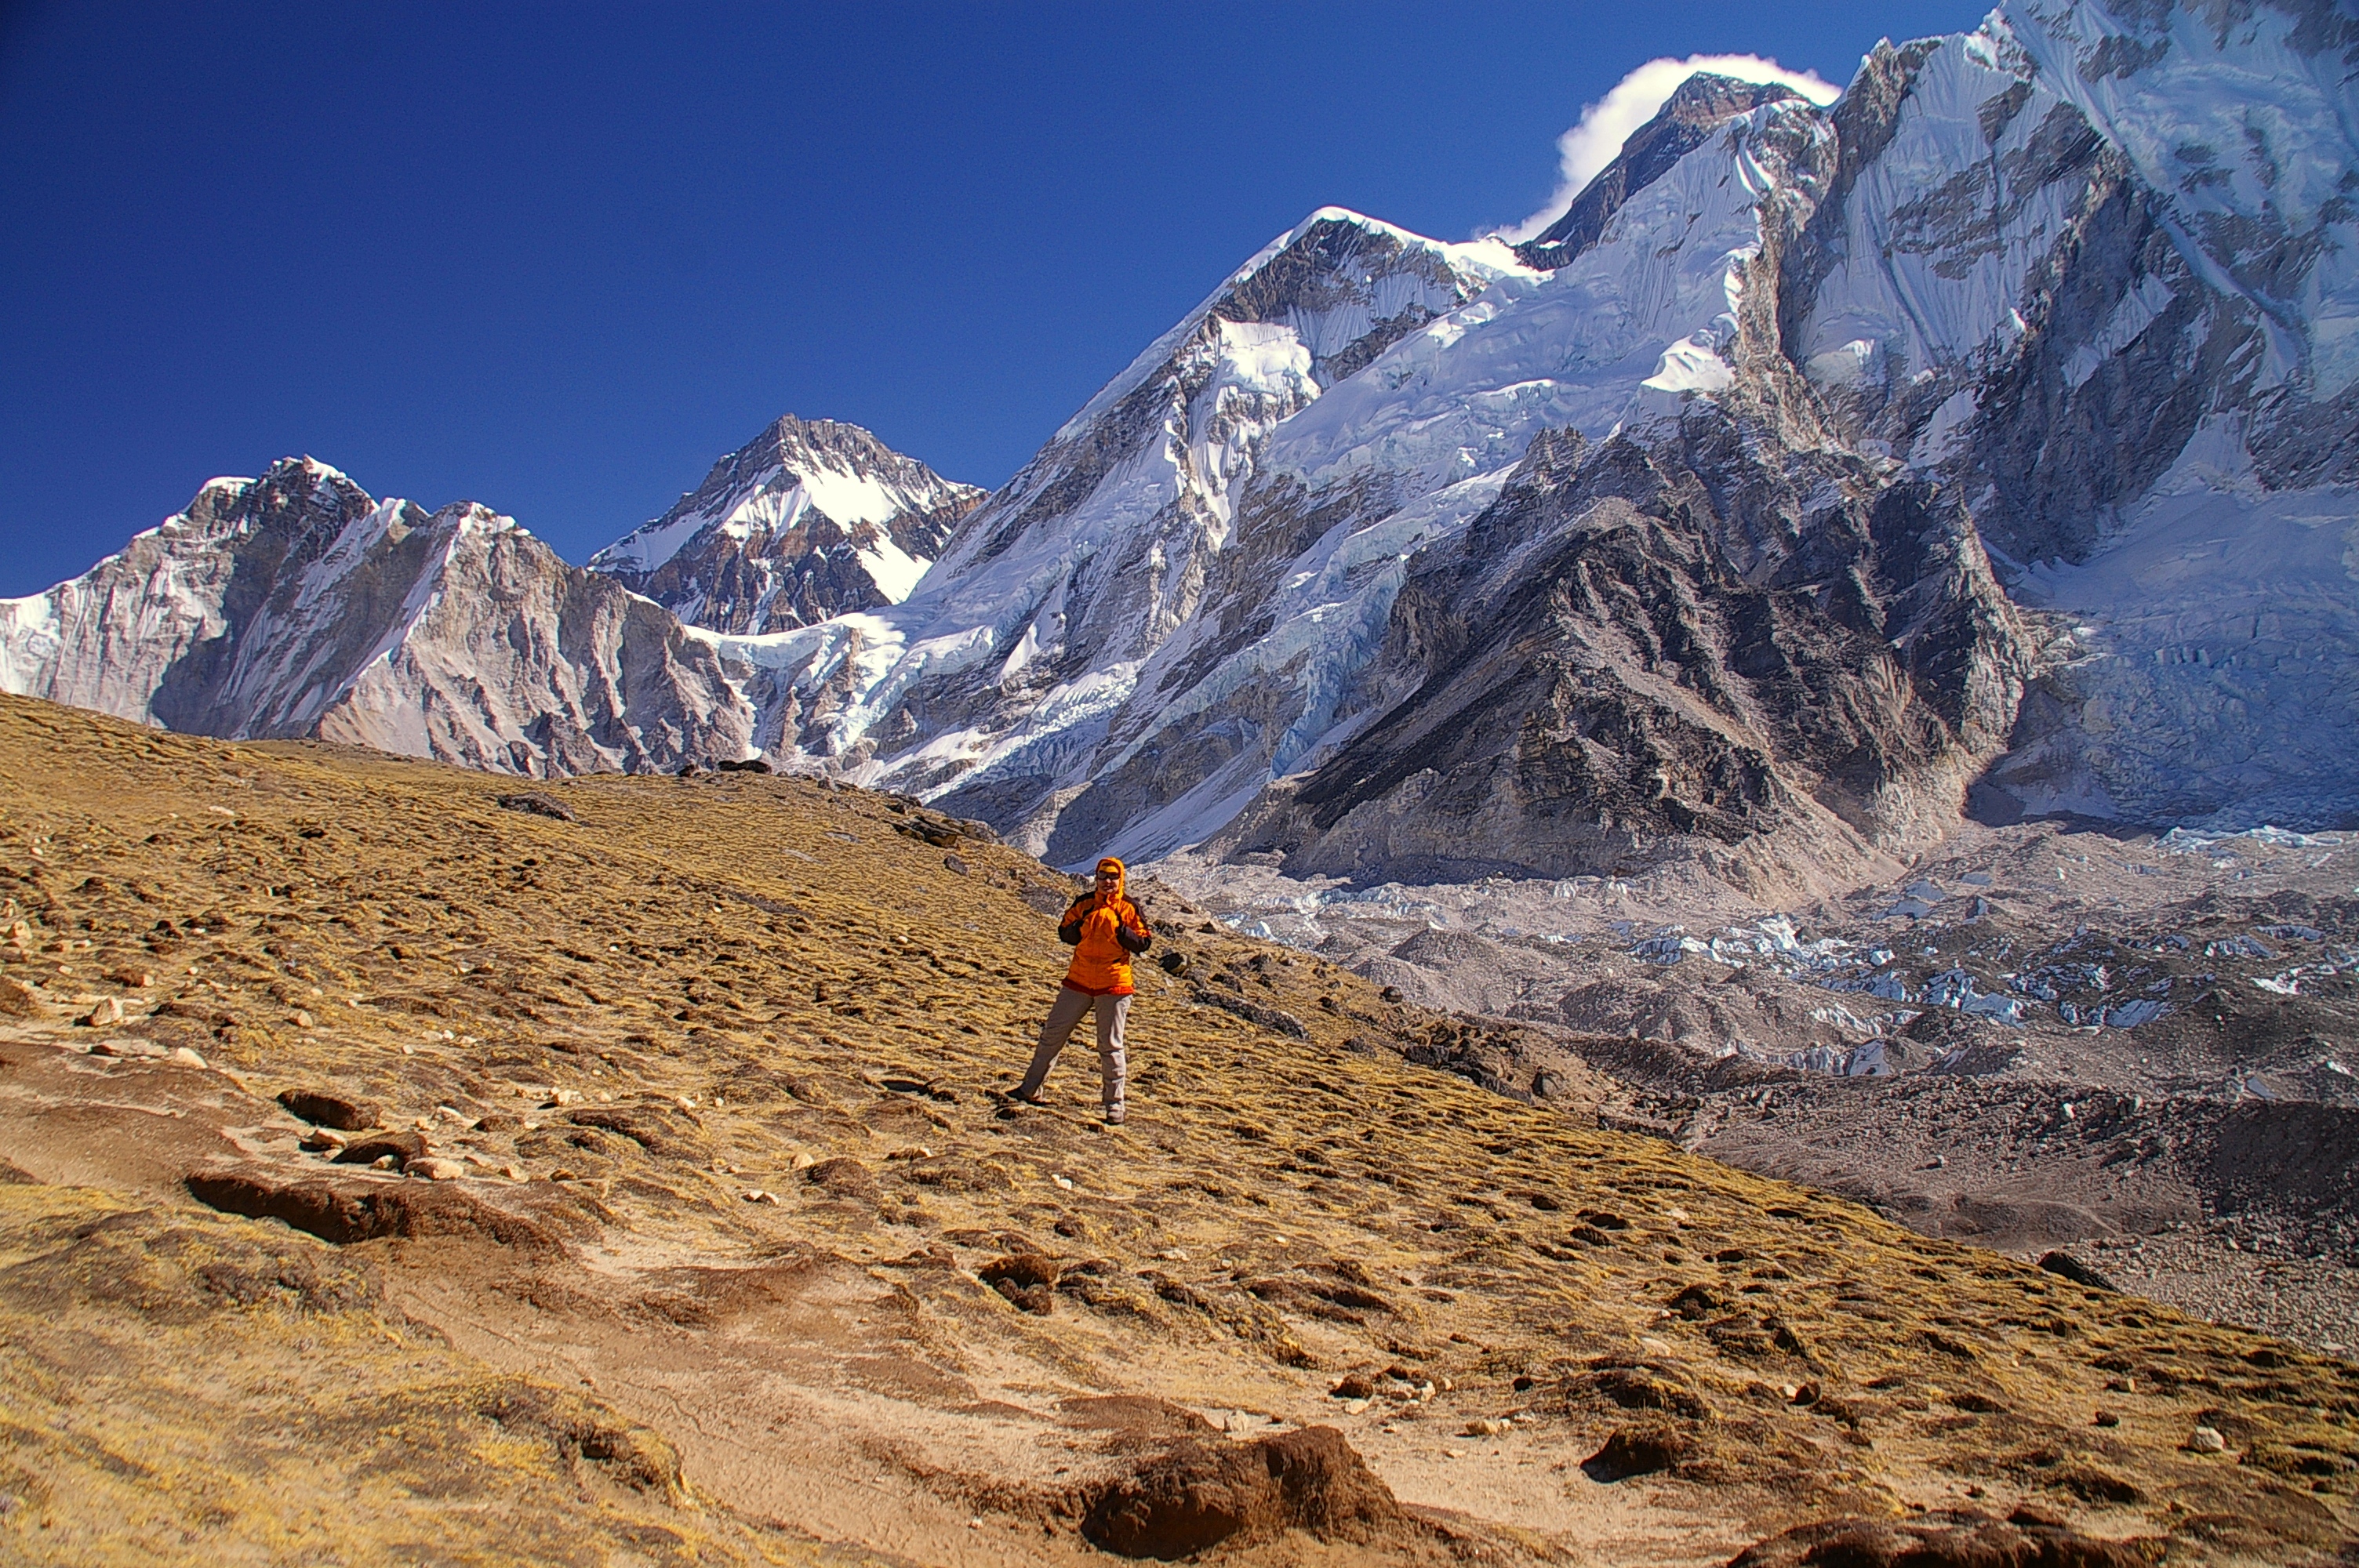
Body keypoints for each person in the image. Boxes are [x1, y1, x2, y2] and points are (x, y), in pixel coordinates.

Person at [1012, 856, 1151, 1124]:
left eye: (1113, 877)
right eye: (1103, 876)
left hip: (1114, 985)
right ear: (1096, 878)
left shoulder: (1129, 907)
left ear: (1121, 879)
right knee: (1052, 1035)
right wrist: (1081, 927)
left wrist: (1120, 931)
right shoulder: (1084, 903)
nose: (1108, 881)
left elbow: (1144, 942)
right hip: (1078, 981)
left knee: (1110, 1046)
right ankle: (1029, 1089)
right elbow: (1065, 932)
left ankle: (1115, 1107)